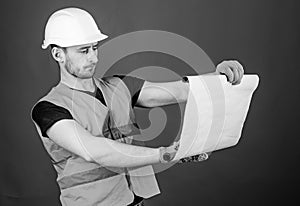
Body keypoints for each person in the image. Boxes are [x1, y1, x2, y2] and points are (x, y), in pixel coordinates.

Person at [31, 7, 244, 206]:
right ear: (58, 54)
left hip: (134, 200)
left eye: (95, 48)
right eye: (84, 51)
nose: (94, 58)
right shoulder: (49, 109)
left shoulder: (120, 85)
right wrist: (165, 154)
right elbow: (93, 150)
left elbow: (180, 90)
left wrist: (219, 78)